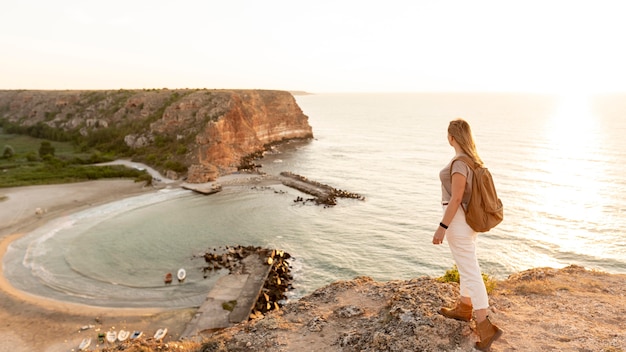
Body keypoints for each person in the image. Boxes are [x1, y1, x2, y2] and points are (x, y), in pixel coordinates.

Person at [432, 118, 502, 350]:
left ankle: (485, 325)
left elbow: (456, 197)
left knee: (471, 271)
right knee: (466, 266)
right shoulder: (472, 161)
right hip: (467, 222)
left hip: (458, 223)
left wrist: (442, 227)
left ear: (451, 137)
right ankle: (464, 308)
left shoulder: (460, 163)